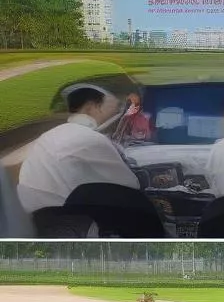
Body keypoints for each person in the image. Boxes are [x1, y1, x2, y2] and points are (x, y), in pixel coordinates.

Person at [16, 84, 141, 214]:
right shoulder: (91, 139)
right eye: (110, 107)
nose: (115, 113)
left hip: (31, 219)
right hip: (67, 223)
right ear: (91, 108)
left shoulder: (47, 136)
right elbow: (130, 186)